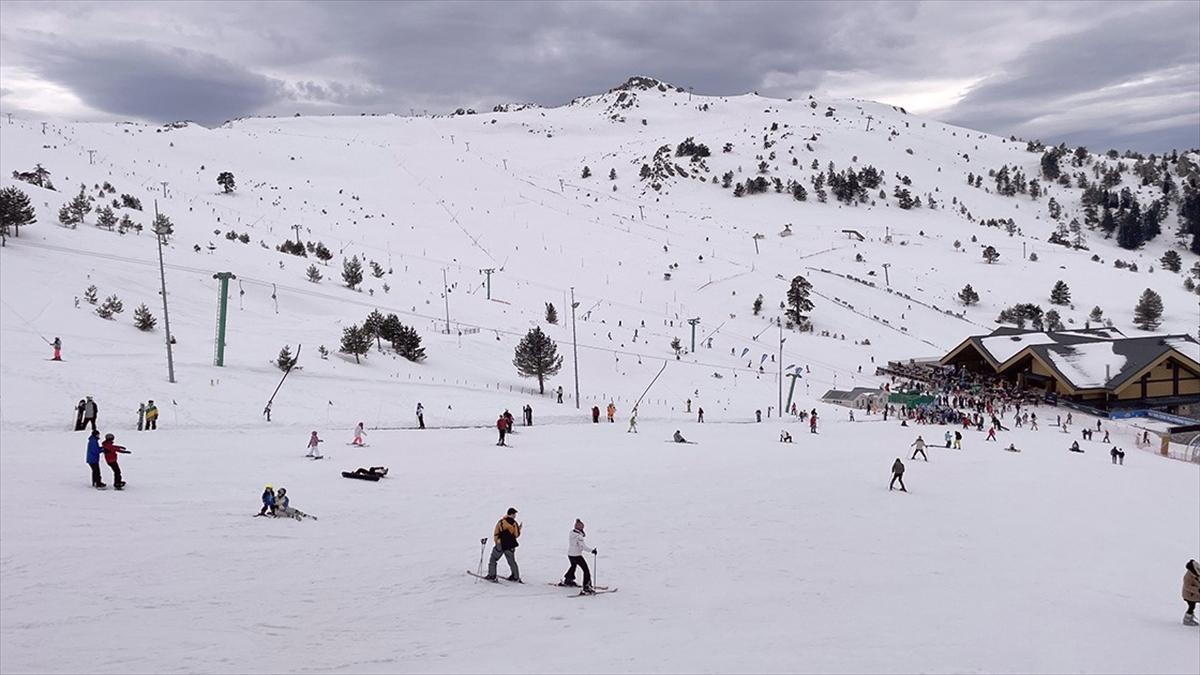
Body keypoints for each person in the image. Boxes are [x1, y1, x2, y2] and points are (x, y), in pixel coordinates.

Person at [560, 519, 596, 593]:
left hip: (570, 555)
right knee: (586, 570)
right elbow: (582, 547)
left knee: (573, 566)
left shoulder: (571, 533)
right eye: (582, 527)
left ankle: (568, 580)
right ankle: (586, 587)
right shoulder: (578, 537)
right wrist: (592, 550)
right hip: (577, 556)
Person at [485, 507, 521, 582]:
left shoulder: (501, 522)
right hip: (510, 545)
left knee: (493, 559)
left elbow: (496, 532)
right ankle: (515, 576)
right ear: (511, 514)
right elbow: (516, 535)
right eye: (514, 514)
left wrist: (497, 542)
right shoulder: (515, 524)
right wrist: (519, 529)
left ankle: (492, 575)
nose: (515, 516)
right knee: (512, 561)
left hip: (500, 544)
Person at [1183, 559, 1200, 626]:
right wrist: (1198, 590)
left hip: (1196, 594)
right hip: (1190, 596)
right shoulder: (1188, 577)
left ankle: (1189, 618)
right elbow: (1187, 587)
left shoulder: (1196, 573)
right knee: (1191, 607)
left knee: (1191, 607)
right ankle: (1187, 619)